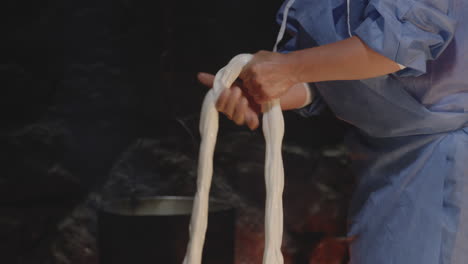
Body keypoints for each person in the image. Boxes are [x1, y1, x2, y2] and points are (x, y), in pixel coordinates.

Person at [197, 0, 468, 263]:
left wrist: (289, 69)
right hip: (381, 159)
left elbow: (398, 43)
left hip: (444, 157)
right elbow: (328, 76)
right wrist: (265, 94)